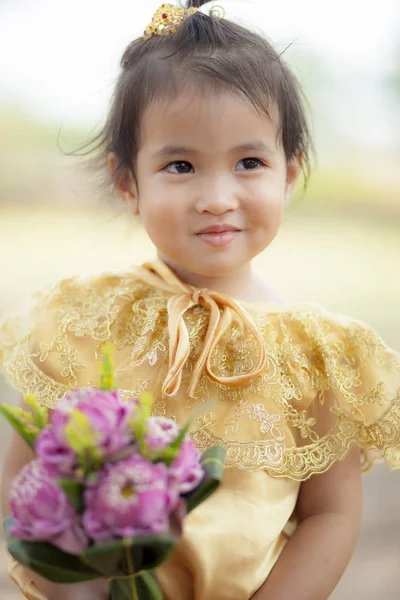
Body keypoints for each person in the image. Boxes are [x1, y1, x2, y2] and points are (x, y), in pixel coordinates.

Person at [1, 1, 399, 599]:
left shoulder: (320, 352)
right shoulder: (85, 319)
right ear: (127, 182)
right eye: (181, 164)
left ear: (288, 176)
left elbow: (330, 515)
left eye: (249, 162)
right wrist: (74, 592)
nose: (217, 197)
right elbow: (29, 481)